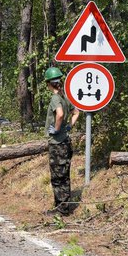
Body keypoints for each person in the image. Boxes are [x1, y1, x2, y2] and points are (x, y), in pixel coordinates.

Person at [44, 67, 80, 216]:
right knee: (64, 175)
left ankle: (61, 209)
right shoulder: (65, 97)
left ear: (49, 83)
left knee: (58, 177)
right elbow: (76, 112)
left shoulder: (55, 98)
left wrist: (58, 129)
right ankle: (64, 206)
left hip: (58, 144)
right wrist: (68, 127)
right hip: (65, 142)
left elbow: (59, 114)